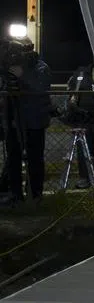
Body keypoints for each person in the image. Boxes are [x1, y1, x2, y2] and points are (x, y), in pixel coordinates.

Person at [0, 38, 52, 206]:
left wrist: (22, 75)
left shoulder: (41, 67)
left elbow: (40, 87)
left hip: (34, 122)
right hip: (14, 121)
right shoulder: (8, 68)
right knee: (13, 158)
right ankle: (15, 195)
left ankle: (35, 194)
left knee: (34, 158)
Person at [65, 64, 94, 189]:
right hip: (83, 116)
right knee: (83, 149)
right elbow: (72, 90)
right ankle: (85, 177)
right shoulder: (82, 72)